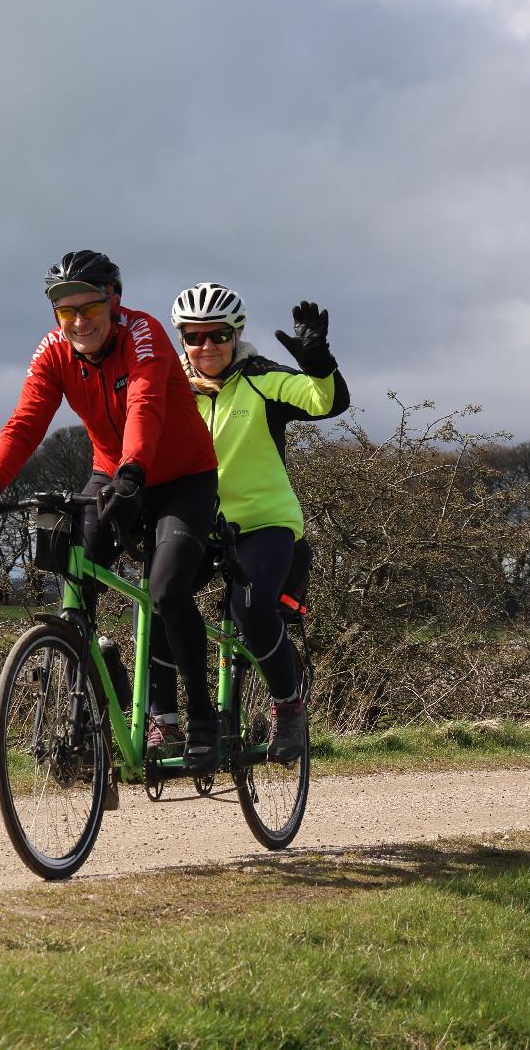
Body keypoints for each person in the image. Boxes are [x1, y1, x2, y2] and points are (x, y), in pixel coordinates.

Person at [0, 250, 224, 771]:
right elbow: (27, 420)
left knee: (167, 590)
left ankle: (202, 721)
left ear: (114, 302)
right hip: (113, 473)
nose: (79, 322)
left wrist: (133, 474)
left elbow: (145, 405)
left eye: (91, 309)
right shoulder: (56, 350)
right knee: (75, 582)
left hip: (180, 478)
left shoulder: (143, 334)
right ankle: (92, 712)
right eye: (66, 311)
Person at [169, 282, 350, 764]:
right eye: (193, 337)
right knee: (162, 601)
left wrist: (318, 363)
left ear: (237, 334)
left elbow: (324, 402)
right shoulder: (170, 388)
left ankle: (288, 707)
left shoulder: (260, 378)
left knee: (252, 612)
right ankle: (169, 721)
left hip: (263, 523)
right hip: (196, 523)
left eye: (218, 335)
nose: (205, 346)